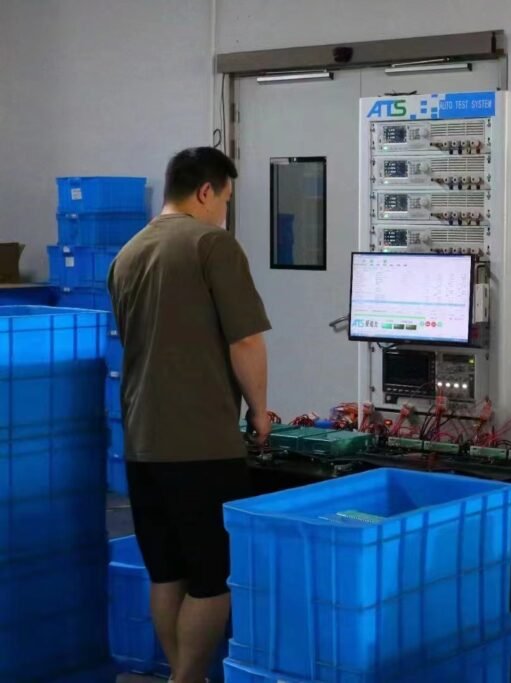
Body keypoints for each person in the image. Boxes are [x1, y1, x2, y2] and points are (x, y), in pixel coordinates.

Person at [108, 147, 271, 683]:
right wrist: (260, 412)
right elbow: (245, 341)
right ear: (206, 192)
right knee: (215, 578)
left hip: (141, 441)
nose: (224, 210)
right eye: (225, 199)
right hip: (201, 443)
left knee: (167, 573)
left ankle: (184, 676)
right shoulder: (212, 245)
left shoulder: (128, 253)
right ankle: (186, 680)